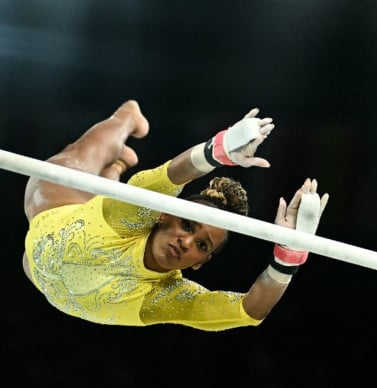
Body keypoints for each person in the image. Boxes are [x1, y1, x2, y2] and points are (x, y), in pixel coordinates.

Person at [21, 99, 329, 332]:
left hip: (38, 272)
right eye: (187, 224)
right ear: (164, 217)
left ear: (199, 262)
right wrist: (218, 151)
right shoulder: (133, 211)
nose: (186, 240)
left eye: (202, 245)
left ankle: (114, 169)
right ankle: (125, 118)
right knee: (78, 157)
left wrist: (289, 255)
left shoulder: (168, 297)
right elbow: (171, 176)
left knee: (75, 226)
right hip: (50, 215)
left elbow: (248, 311)